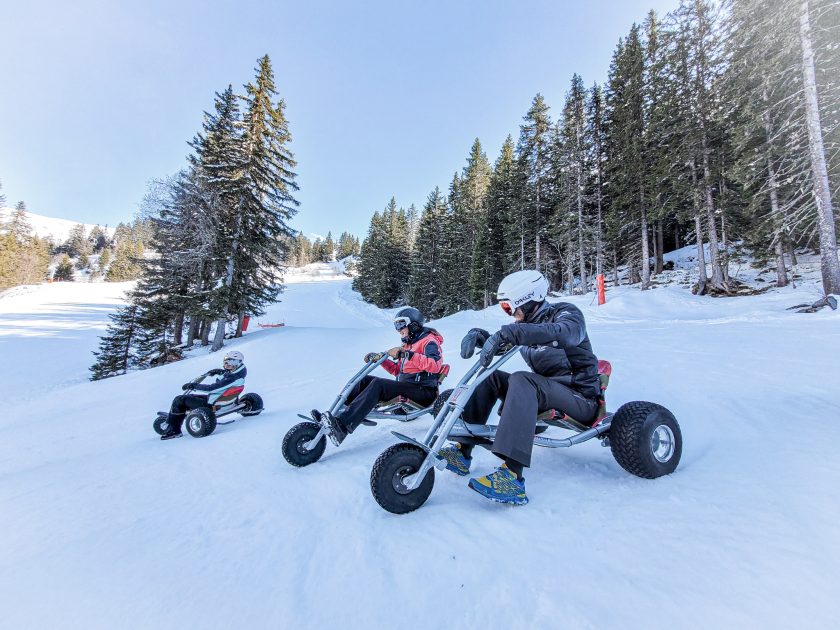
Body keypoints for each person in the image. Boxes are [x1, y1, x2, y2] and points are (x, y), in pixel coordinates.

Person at [438, 270, 601, 505]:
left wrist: (512, 332)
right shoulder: (526, 326)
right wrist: (481, 337)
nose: (510, 313)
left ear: (529, 300)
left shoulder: (566, 314)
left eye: (509, 307)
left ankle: (512, 479)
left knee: (522, 379)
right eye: (505, 308)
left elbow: (566, 334)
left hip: (580, 398)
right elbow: (509, 342)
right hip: (546, 393)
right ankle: (462, 452)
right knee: (491, 377)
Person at [312, 307, 444, 446]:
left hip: (423, 391)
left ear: (413, 325)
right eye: (396, 325)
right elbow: (397, 371)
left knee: (378, 385)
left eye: (401, 324)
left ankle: (343, 426)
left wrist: (407, 354)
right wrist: (381, 360)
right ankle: (335, 417)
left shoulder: (429, 341)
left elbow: (435, 365)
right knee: (364, 380)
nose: (398, 329)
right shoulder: (408, 345)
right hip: (408, 387)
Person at [158, 350, 247, 440]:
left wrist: (194, 385)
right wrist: (221, 372)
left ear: (238, 363)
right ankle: (178, 415)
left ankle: (174, 430)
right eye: (226, 361)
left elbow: (211, 388)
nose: (228, 364)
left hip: (212, 405)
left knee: (179, 400)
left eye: (232, 362)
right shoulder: (240, 373)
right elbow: (226, 379)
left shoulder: (232, 378)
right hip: (222, 401)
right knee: (190, 397)